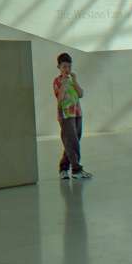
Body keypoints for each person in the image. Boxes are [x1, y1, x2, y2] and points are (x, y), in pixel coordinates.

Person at [54, 52, 92, 180]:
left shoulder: (72, 79)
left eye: (69, 67)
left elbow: (81, 94)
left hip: (77, 113)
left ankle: (63, 169)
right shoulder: (58, 81)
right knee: (72, 142)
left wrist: (74, 81)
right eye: (64, 66)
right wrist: (64, 83)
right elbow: (60, 99)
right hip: (65, 115)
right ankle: (76, 169)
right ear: (59, 67)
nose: (67, 69)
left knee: (72, 141)